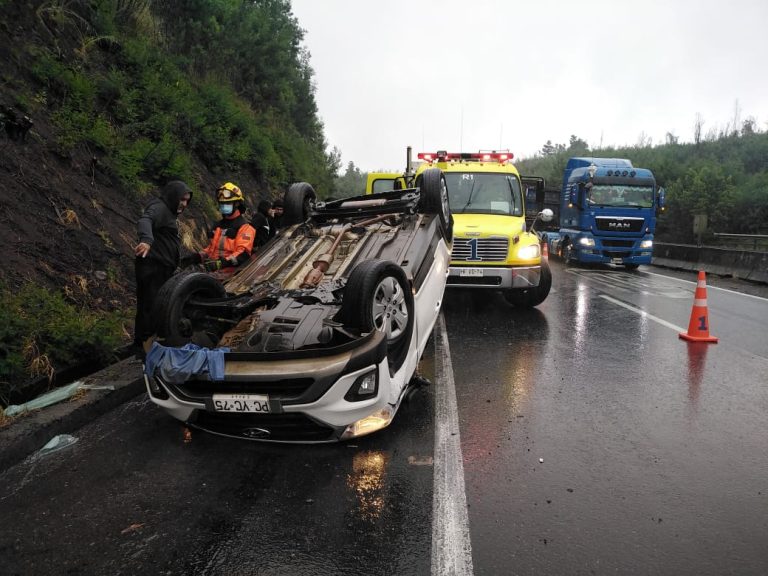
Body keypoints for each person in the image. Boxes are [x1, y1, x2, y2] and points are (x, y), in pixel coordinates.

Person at [134, 180, 193, 355]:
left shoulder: (168, 211)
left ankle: (145, 345)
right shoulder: (160, 208)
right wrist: (146, 240)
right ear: (173, 196)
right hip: (153, 268)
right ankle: (144, 348)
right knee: (151, 307)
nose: (184, 204)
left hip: (161, 268)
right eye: (181, 199)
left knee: (152, 306)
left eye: (187, 201)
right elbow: (145, 220)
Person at [180, 182, 256, 271]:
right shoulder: (219, 225)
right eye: (222, 204)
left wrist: (220, 264)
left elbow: (242, 254)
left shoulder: (245, 228)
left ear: (237, 204)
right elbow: (212, 250)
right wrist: (197, 257)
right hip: (214, 272)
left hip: (231, 274)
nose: (224, 206)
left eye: (227, 203)